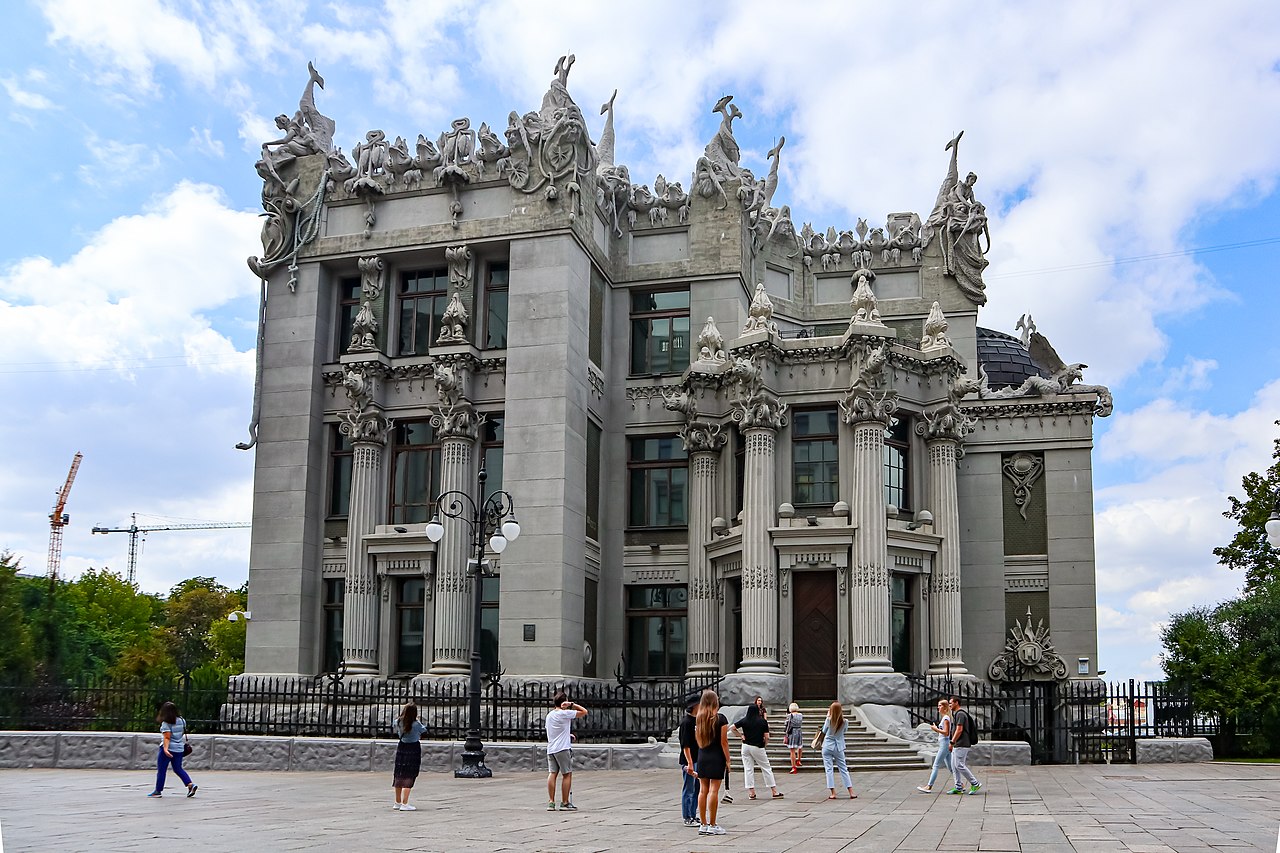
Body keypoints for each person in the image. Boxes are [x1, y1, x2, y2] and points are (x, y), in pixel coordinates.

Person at [693, 689, 730, 836]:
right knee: (714, 790)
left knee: (703, 790)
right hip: (716, 756)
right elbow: (723, 742)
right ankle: (713, 824)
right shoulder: (720, 719)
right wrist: (728, 760)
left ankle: (703, 824)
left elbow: (698, 740)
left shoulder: (699, 718)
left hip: (703, 755)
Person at [545, 691, 587, 811]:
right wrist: (572, 705)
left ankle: (551, 802)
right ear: (564, 702)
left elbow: (553, 730)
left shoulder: (549, 715)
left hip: (551, 748)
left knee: (552, 773)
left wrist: (566, 734)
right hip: (562, 748)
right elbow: (584, 711)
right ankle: (565, 802)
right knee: (567, 774)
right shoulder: (565, 713)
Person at [731, 703, 783, 800]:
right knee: (766, 767)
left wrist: (740, 735)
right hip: (757, 746)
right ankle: (774, 791)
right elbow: (767, 736)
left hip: (745, 746)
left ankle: (751, 792)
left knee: (748, 769)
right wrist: (765, 744)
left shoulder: (744, 720)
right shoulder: (762, 722)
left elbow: (732, 728)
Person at [147, 701, 196, 799]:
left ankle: (158, 791)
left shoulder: (166, 723)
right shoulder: (182, 720)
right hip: (179, 748)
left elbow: (167, 737)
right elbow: (181, 733)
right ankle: (190, 785)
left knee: (162, 770)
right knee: (178, 769)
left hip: (168, 749)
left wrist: (165, 749)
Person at [817, 701, 856, 800]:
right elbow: (844, 731)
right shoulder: (845, 722)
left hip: (827, 746)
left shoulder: (828, 720)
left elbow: (824, 731)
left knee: (829, 769)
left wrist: (827, 717)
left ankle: (833, 793)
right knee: (843, 769)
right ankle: (851, 792)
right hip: (838, 747)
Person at [392, 702, 426, 811]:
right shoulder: (416, 724)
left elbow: (395, 728)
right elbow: (424, 730)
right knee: (409, 775)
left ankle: (397, 802)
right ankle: (405, 803)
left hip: (402, 747)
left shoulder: (398, 721)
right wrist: (418, 720)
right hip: (413, 748)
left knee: (399, 774)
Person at [947, 696, 982, 795]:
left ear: (956, 703)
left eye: (951, 703)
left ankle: (975, 783)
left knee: (959, 765)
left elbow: (959, 730)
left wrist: (952, 742)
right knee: (954, 766)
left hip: (961, 743)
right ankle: (958, 787)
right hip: (958, 744)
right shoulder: (957, 714)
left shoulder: (960, 714)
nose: (949, 705)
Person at [916, 699, 952, 793]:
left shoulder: (946, 718)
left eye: (940, 705)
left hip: (944, 743)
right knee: (950, 767)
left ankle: (929, 786)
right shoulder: (945, 718)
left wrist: (935, 729)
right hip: (944, 743)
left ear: (944, 707)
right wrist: (937, 728)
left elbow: (946, 733)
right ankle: (960, 784)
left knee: (936, 765)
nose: (938, 707)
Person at [678, 701, 700, 827]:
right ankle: (687, 816)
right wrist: (690, 762)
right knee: (689, 788)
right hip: (690, 760)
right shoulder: (686, 723)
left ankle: (693, 814)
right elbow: (685, 745)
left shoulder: (697, 720)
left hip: (698, 757)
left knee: (697, 788)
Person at [784, 702, 804, 773]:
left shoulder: (790, 715)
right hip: (799, 731)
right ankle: (799, 760)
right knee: (800, 746)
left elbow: (787, 724)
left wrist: (786, 734)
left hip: (792, 732)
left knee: (792, 750)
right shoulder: (800, 715)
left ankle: (794, 767)